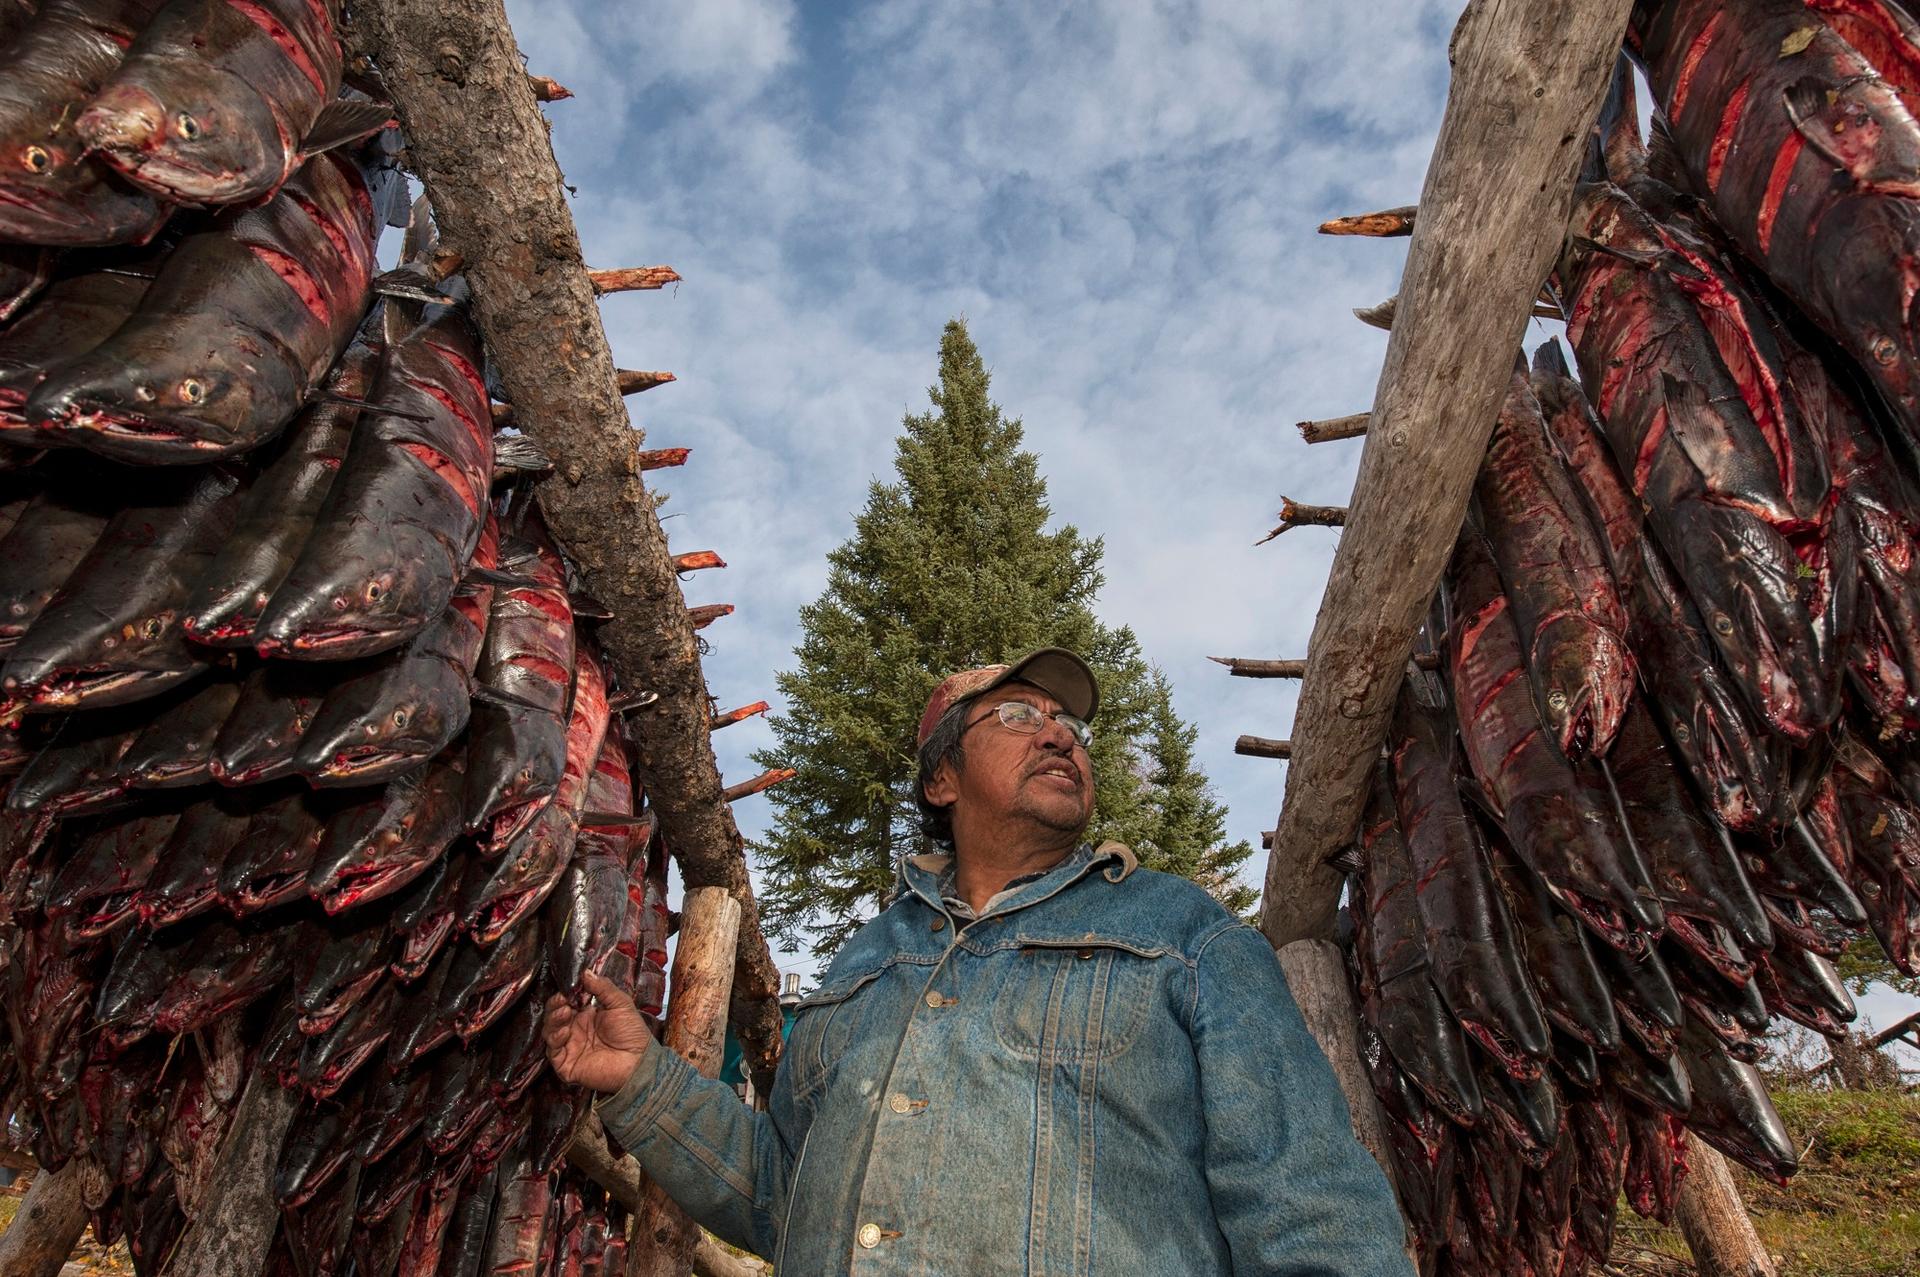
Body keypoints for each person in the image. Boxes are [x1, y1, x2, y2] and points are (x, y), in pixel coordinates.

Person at [545, 647, 1412, 1275]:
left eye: (1070, 724)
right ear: (941, 781)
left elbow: (1315, 1218)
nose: (1062, 736)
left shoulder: (1185, 936)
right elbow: (782, 1195)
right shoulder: (860, 966)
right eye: (1019, 715)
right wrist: (639, 1078)